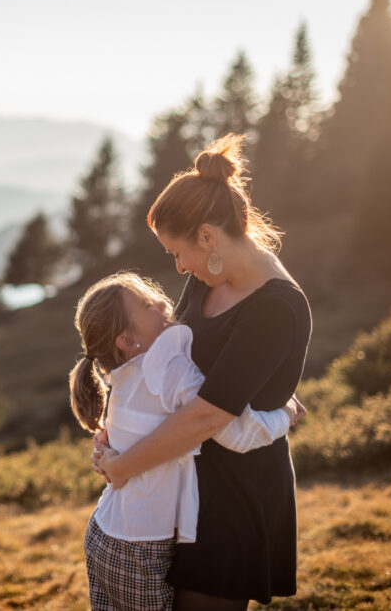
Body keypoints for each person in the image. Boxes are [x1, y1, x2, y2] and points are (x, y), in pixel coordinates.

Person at [93, 133, 312, 610]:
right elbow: (168, 364)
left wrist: (122, 468)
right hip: (183, 493)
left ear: (208, 236)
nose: (178, 265)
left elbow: (206, 417)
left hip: (234, 502)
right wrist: (116, 435)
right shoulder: (205, 279)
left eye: (178, 252)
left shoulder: (276, 308)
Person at [70, 271, 304, 611]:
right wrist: (285, 414)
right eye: (149, 305)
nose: (165, 302)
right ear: (126, 340)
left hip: (104, 533)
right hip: (142, 549)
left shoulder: (120, 377)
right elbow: (234, 432)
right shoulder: (169, 368)